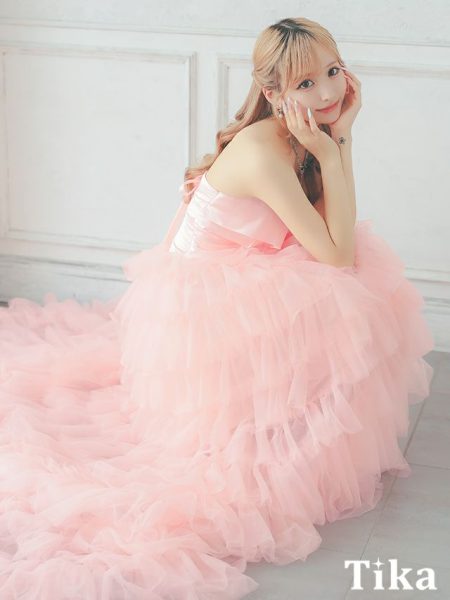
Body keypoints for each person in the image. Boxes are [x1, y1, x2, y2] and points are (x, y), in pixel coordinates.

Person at [0, 16, 435, 600]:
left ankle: (296, 426)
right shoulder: (263, 152)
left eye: (333, 72)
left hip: (248, 266)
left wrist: (340, 142)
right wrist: (334, 152)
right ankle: (276, 428)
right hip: (204, 304)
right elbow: (336, 256)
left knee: (361, 286)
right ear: (274, 93)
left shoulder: (301, 132)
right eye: (306, 84)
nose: (329, 92)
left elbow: (339, 241)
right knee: (345, 293)